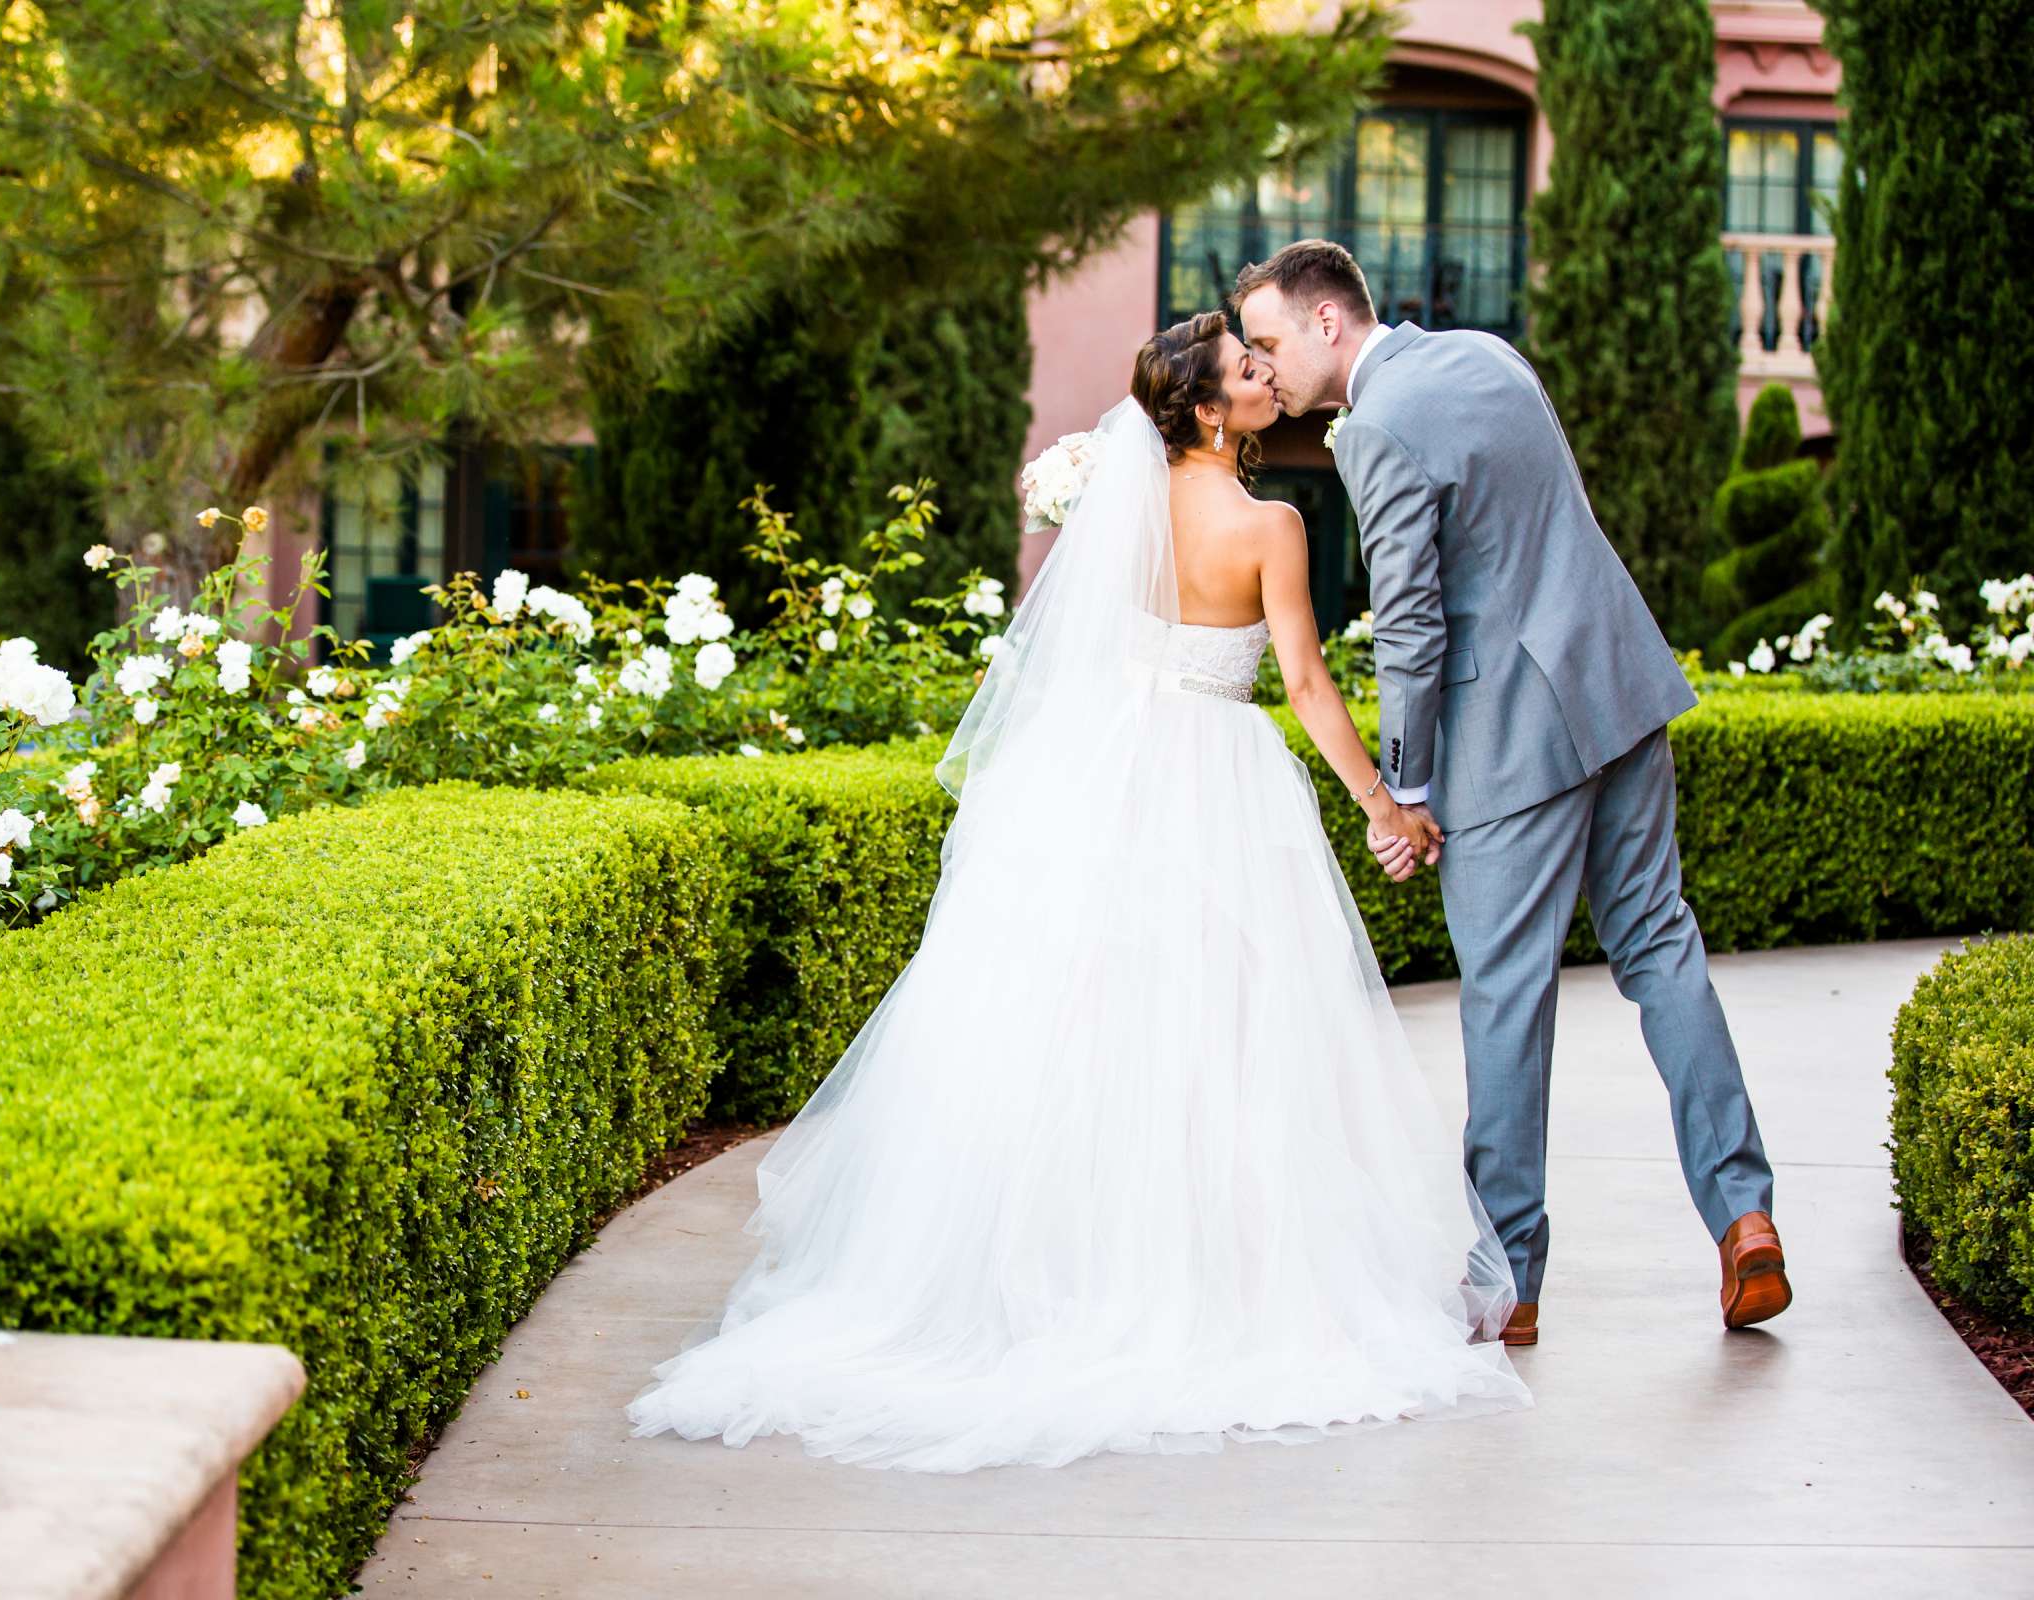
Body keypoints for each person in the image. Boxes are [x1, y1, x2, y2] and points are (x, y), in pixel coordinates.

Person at [623, 311, 1531, 1472]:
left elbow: (1089, 653)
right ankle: (1206, 1278)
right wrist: (1380, 802)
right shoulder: (1272, 524)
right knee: (1227, 1036)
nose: (1267, 377)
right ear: (1209, 409)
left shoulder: (1126, 509)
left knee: (1088, 1024)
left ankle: (1071, 1268)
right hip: (1217, 779)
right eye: (1248, 370)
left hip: (1107, 773)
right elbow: (1302, 679)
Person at [1226, 239, 1788, 1344]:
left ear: (1328, 322)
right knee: (1660, 946)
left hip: (1507, 745)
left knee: (1506, 996)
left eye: (1270, 340)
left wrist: (1407, 788)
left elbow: (1413, 627)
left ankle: (1510, 1278)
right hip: (1618, 687)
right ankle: (1746, 1213)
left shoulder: (1376, 428)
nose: (1263, 364)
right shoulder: (1490, 354)